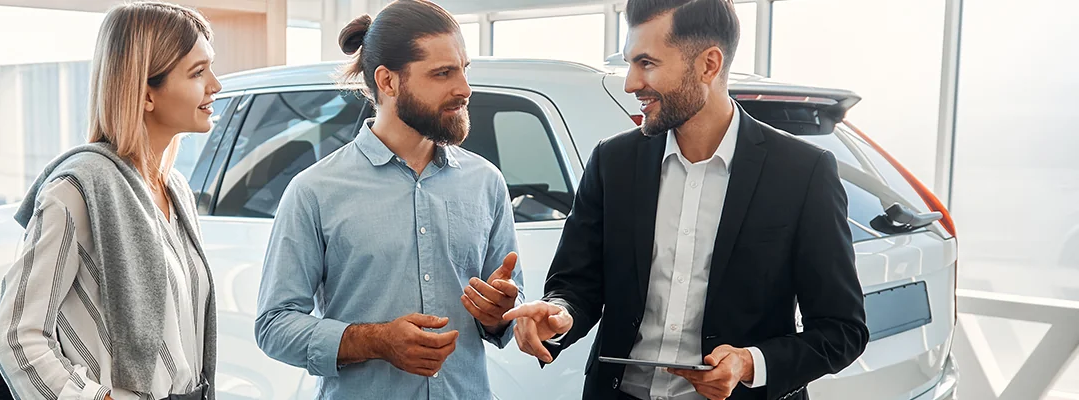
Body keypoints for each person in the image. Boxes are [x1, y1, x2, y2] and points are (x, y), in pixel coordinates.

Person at [502, 0, 868, 399]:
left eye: (647, 63)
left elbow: (842, 330)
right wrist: (561, 314)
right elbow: (576, 284)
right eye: (630, 63)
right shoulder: (613, 161)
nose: (630, 83)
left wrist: (749, 362)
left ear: (708, 64)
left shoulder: (802, 172)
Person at [252, 1, 523, 398]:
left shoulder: (486, 182)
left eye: (465, 69)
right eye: (443, 73)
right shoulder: (314, 191)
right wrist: (375, 341)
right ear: (388, 81)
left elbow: (509, 316)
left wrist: (501, 316)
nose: (465, 89)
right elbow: (274, 325)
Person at [0, 3, 222, 400]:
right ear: (146, 93)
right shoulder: (77, 190)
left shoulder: (176, 191)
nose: (215, 85)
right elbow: (17, 335)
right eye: (198, 72)